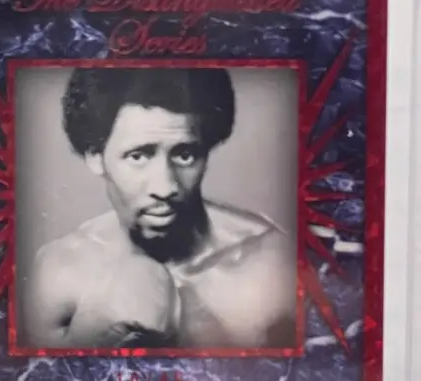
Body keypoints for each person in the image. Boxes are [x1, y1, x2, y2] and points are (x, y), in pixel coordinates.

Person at [23, 67, 297, 349]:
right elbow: (36, 375)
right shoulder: (59, 271)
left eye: (185, 155)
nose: (166, 187)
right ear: (96, 157)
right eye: (138, 156)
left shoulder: (271, 265)